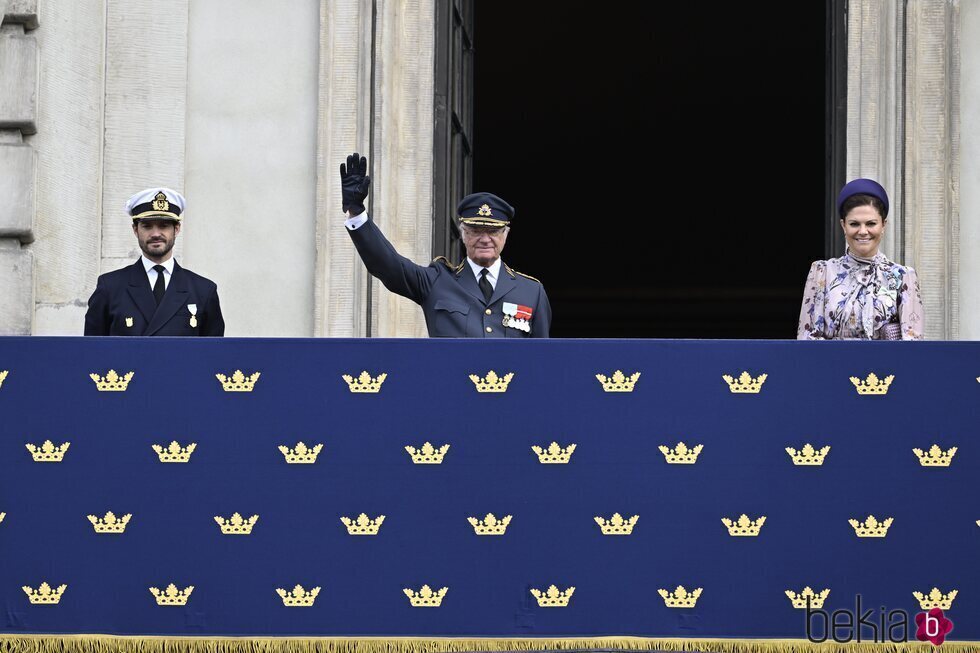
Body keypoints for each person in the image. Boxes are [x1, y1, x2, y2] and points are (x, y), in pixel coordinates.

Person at [340, 152, 551, 337]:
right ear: (463, 234)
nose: (485, 239)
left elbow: (542, 360)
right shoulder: (437, 281)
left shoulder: (531, 292)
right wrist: (357, 213)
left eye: (494, 231)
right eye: (476, 231)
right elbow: (389, 265)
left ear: (506, 234)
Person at [84, 188, 225, 336]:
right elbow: (92, 352)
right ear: (135, 230)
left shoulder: (203, 291)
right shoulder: (110, 288)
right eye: (147, 226)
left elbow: (213, 355)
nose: (156, 234)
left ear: (176, 229)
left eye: (164, 226)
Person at [797, 178, 923, 340]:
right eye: (854, 224)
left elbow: (913, 346)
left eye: (871, 224)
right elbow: (807, 341)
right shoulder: (822, 272)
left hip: (885, 365)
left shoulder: (903, 276)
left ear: (883, 225)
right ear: (843, 225)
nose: (863, 231)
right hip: (831, 364)